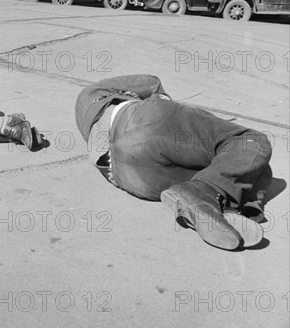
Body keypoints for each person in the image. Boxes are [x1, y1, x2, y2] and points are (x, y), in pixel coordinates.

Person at [75, 75, 273, 250]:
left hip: (126, 176)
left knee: (231, 165)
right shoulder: (95, 89)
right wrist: (174, 109)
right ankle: (225, 199)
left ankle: (214, 203)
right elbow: (151, 83)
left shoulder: (87, 114)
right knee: (249, 143)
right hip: (142, 123)